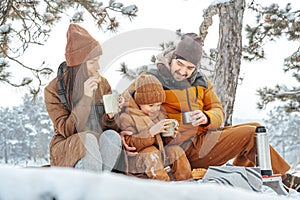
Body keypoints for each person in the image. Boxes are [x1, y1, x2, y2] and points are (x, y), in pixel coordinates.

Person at [122, 33, 299, 192]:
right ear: (171, 58)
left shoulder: (201, 81)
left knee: (256, 128)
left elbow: (217, 110)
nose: (183, 71)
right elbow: (124, 102)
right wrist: (124, 133)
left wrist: (206, 117)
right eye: (180, 64)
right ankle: (284, 178)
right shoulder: (152, 77)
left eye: (190, 67)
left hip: (204, 139)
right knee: (251, 133)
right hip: (180, 147)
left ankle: (247, 175)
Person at [44, 24, 122, 172]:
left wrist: (111, 116)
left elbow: (109, 128)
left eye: (98, 60)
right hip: (68, 146)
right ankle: (86, 188)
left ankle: (101, 185)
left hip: (97, 145)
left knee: (112, 137)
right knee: (87, 138)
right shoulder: (53, 90)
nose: (98, 67)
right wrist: (85, 98)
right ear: (78, 66)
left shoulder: (102, 84)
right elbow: (67, 131)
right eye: (92, 62)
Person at [119, 74, 193, 181]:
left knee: (176, 151)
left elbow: (165, 141)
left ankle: (186, 182)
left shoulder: (160, 114)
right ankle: (162, 186)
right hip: (137, 162)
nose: (155, 109)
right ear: (140, 102)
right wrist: (151, 132)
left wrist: (171, 136)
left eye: (158, 105)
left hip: (160, 155)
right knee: (151, 152)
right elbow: (130, 144)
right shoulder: (127, 117)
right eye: (151, 105)